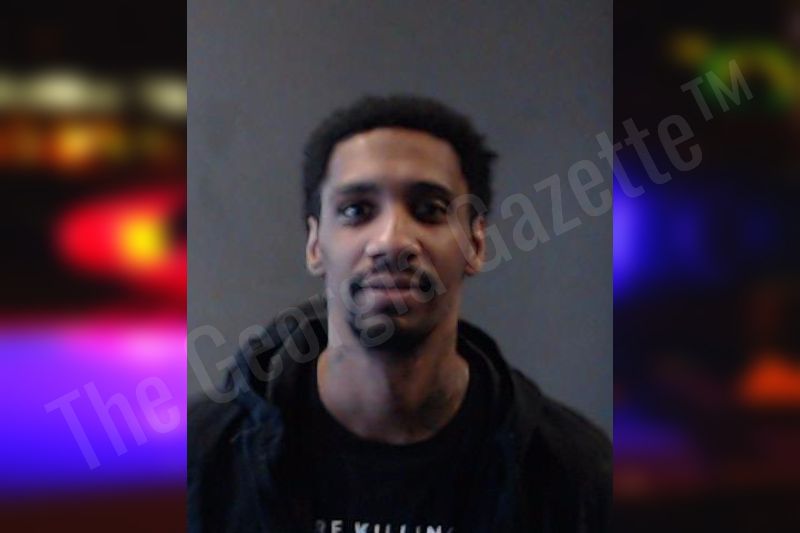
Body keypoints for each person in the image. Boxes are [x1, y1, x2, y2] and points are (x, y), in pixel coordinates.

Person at [189, 95, 611, 532]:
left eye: (430, 210)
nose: (391, 240)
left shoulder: (573, 476)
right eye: (357, 211)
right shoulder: (200, 463)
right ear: (315, 245)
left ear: (475, 244)